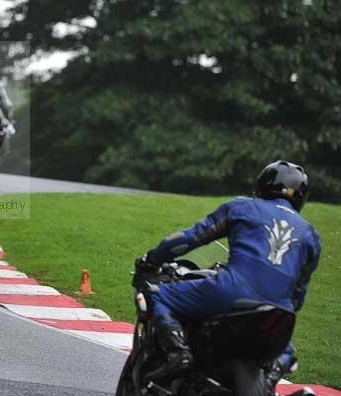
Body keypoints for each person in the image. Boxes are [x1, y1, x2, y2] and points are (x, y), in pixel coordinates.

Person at [134, 160, 321, 383]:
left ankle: (179, 353)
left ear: (262, 186)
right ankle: (270, 378)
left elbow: (189, 238)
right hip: (280, 312)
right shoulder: (311, 236)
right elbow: (298, 295)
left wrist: (152, 260)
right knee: (287, 350)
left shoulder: (242, 207)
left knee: (159, 294)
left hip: (230, 291)